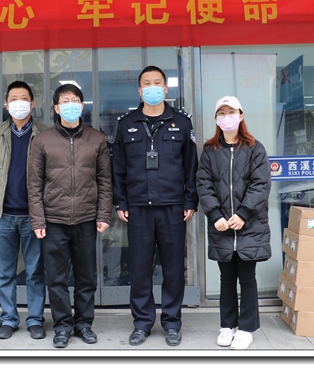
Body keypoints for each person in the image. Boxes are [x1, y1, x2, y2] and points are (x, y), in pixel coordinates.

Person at [111, 65, 199, 347]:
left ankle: (172, 323)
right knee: (140, 269)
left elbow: (191, 167)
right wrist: (121, 201)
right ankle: (142, 323)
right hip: (138, 208)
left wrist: (190, 200)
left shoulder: (181, 123)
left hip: (173, 206)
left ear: (165, 88)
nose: (152, 87)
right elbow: (118, 167)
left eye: (157, 82)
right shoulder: (126, 124)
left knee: (173, 268)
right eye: (146, 83)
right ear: (140, 90)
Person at [27, 84, 112, 349]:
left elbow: (105, 180)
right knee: (56, 279)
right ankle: (62, 326)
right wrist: (38, 220)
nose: (70, 105)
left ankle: (84, 324)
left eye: (75, 101)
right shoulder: (42, 140)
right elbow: (34, 184)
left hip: (86, 219)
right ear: (56, 108)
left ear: (82, 106)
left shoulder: (97, 139)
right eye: (65, 101)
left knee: (86, 277)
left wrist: (103, 213)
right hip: (54, 221)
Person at [0, 81, 48, 341]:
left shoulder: (44, 134)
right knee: (5, 272)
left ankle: (35, 319)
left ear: (32, 103)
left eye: (23, 98)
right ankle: (9, 319)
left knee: (35, 271)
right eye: (13, 98)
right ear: (6, 104)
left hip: (34, 217)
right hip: (2, 216)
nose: (18, 103)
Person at [195, 95, 272, 351]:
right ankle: (227, 326)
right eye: (222, 113)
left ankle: (246, 329)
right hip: (222, 227)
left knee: (247, 279)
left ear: (241, 116)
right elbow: (203, 185)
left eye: (231, 112)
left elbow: (261, 185)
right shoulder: (210, 151)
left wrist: (243, 214)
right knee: (226, 279)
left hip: (249, 226)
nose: (226, 117)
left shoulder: (255, 148)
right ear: (216, 119)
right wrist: (215, 216)